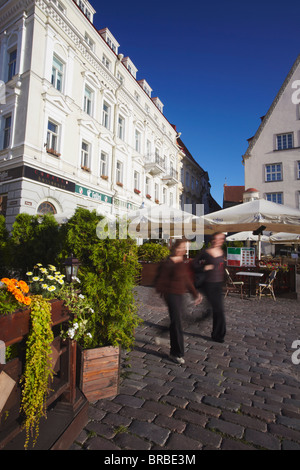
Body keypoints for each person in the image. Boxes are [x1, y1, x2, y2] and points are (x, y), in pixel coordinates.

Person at [155, 239, 202, 364]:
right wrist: (163, 299)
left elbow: (186, 279)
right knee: (177, 323)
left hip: (180, 295)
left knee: (176, 321)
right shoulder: (168, 262)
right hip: (171, 295)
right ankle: (176, 353)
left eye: (184, 248)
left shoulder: (182, 262)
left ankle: (164, 336)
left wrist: (195, 293)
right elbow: (160, 282)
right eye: (181, 247)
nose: (183, 250)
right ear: (175, 248)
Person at [193, 232, 226, 343]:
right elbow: (194, 264)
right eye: (217, 238)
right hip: (209, 284)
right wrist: (204, 267)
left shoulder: (221, 252)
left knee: (218, 310)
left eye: (221, 239)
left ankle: (217, 333)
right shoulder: (206, 252)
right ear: (213, 240)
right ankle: (218, 335)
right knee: (219, 309)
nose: (219, 241)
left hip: (218, 284)